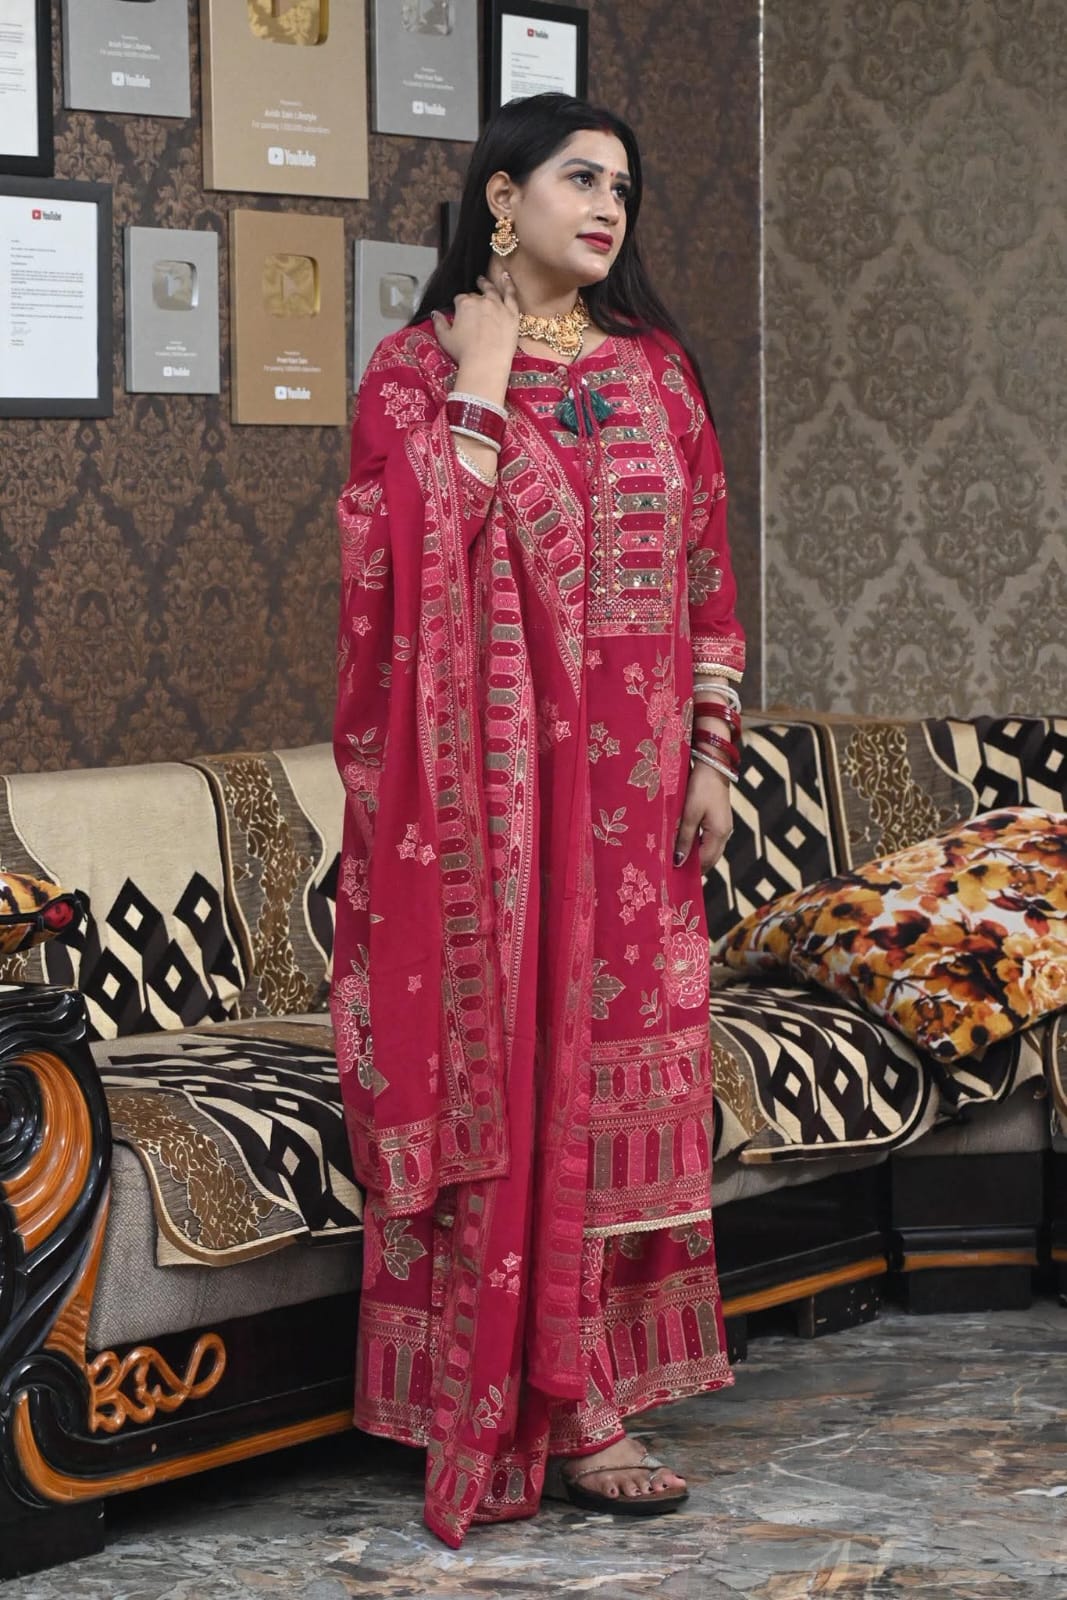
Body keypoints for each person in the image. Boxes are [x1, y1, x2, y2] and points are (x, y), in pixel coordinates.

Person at [331, 92, 745, 1549]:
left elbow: (705, 575)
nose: (610, 206)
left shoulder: (656, 373)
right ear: (503, 198)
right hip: (487, 821)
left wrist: (712, 754)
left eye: (624, 185)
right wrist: (486, 368)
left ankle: (593, 1387)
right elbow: (414, 566)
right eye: (581, 178)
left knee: (622, 1078)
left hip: (636, 816)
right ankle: (517, 1393)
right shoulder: (415, 370)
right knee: (508, 1071)